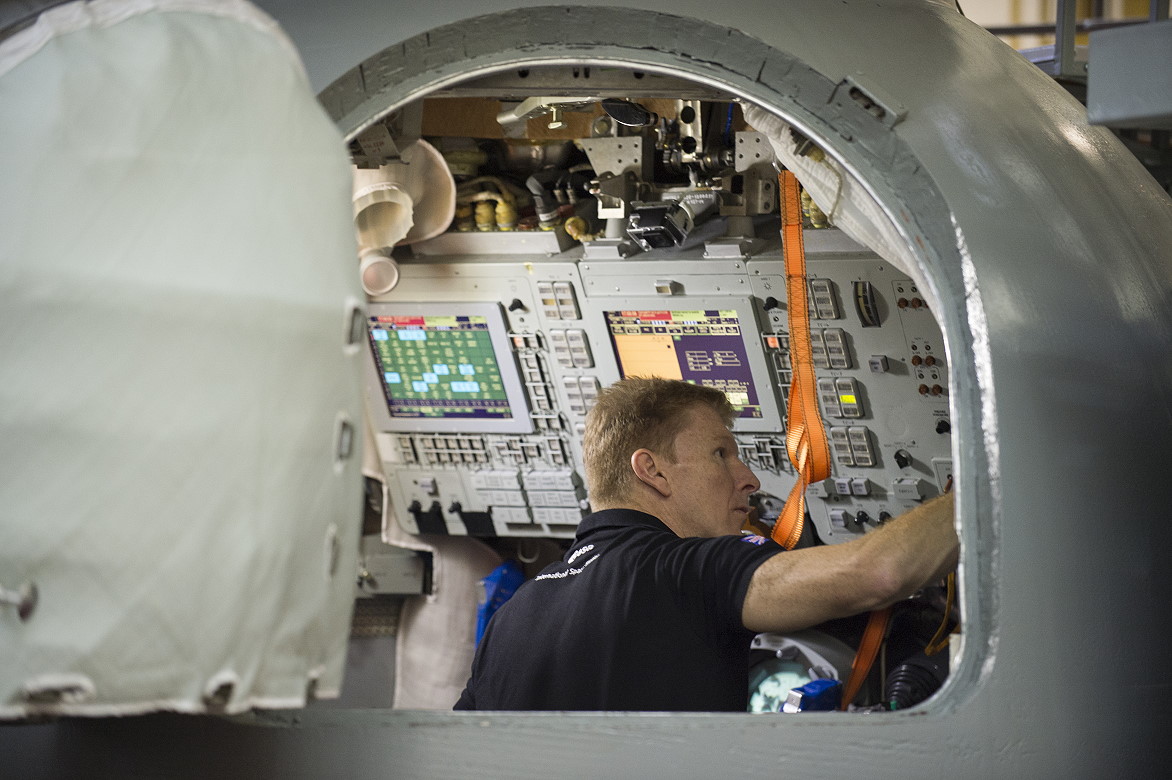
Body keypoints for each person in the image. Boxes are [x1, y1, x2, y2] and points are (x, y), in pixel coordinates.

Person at [454, 377, 958, 711]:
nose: (750, 481)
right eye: (721, 454)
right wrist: (985, 482)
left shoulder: (511, 618)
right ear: (651, 470)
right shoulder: (682, 570)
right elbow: (879, 573)